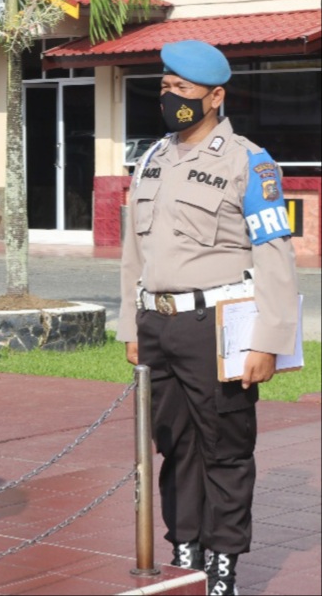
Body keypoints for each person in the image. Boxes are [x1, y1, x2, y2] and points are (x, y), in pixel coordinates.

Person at [117, 40, 299, 595]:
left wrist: (268, 340)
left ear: (215, 97)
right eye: (165, 87)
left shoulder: (249, 162)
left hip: (217, 326)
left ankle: (223, 566)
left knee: (225, 450)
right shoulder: (152, 158)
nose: (169, 97)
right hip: (158, 325)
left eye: (182, 89)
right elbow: (133, 253)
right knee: (173, 446)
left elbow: (274, 255)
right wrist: (130, 325)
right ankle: (186, 548)